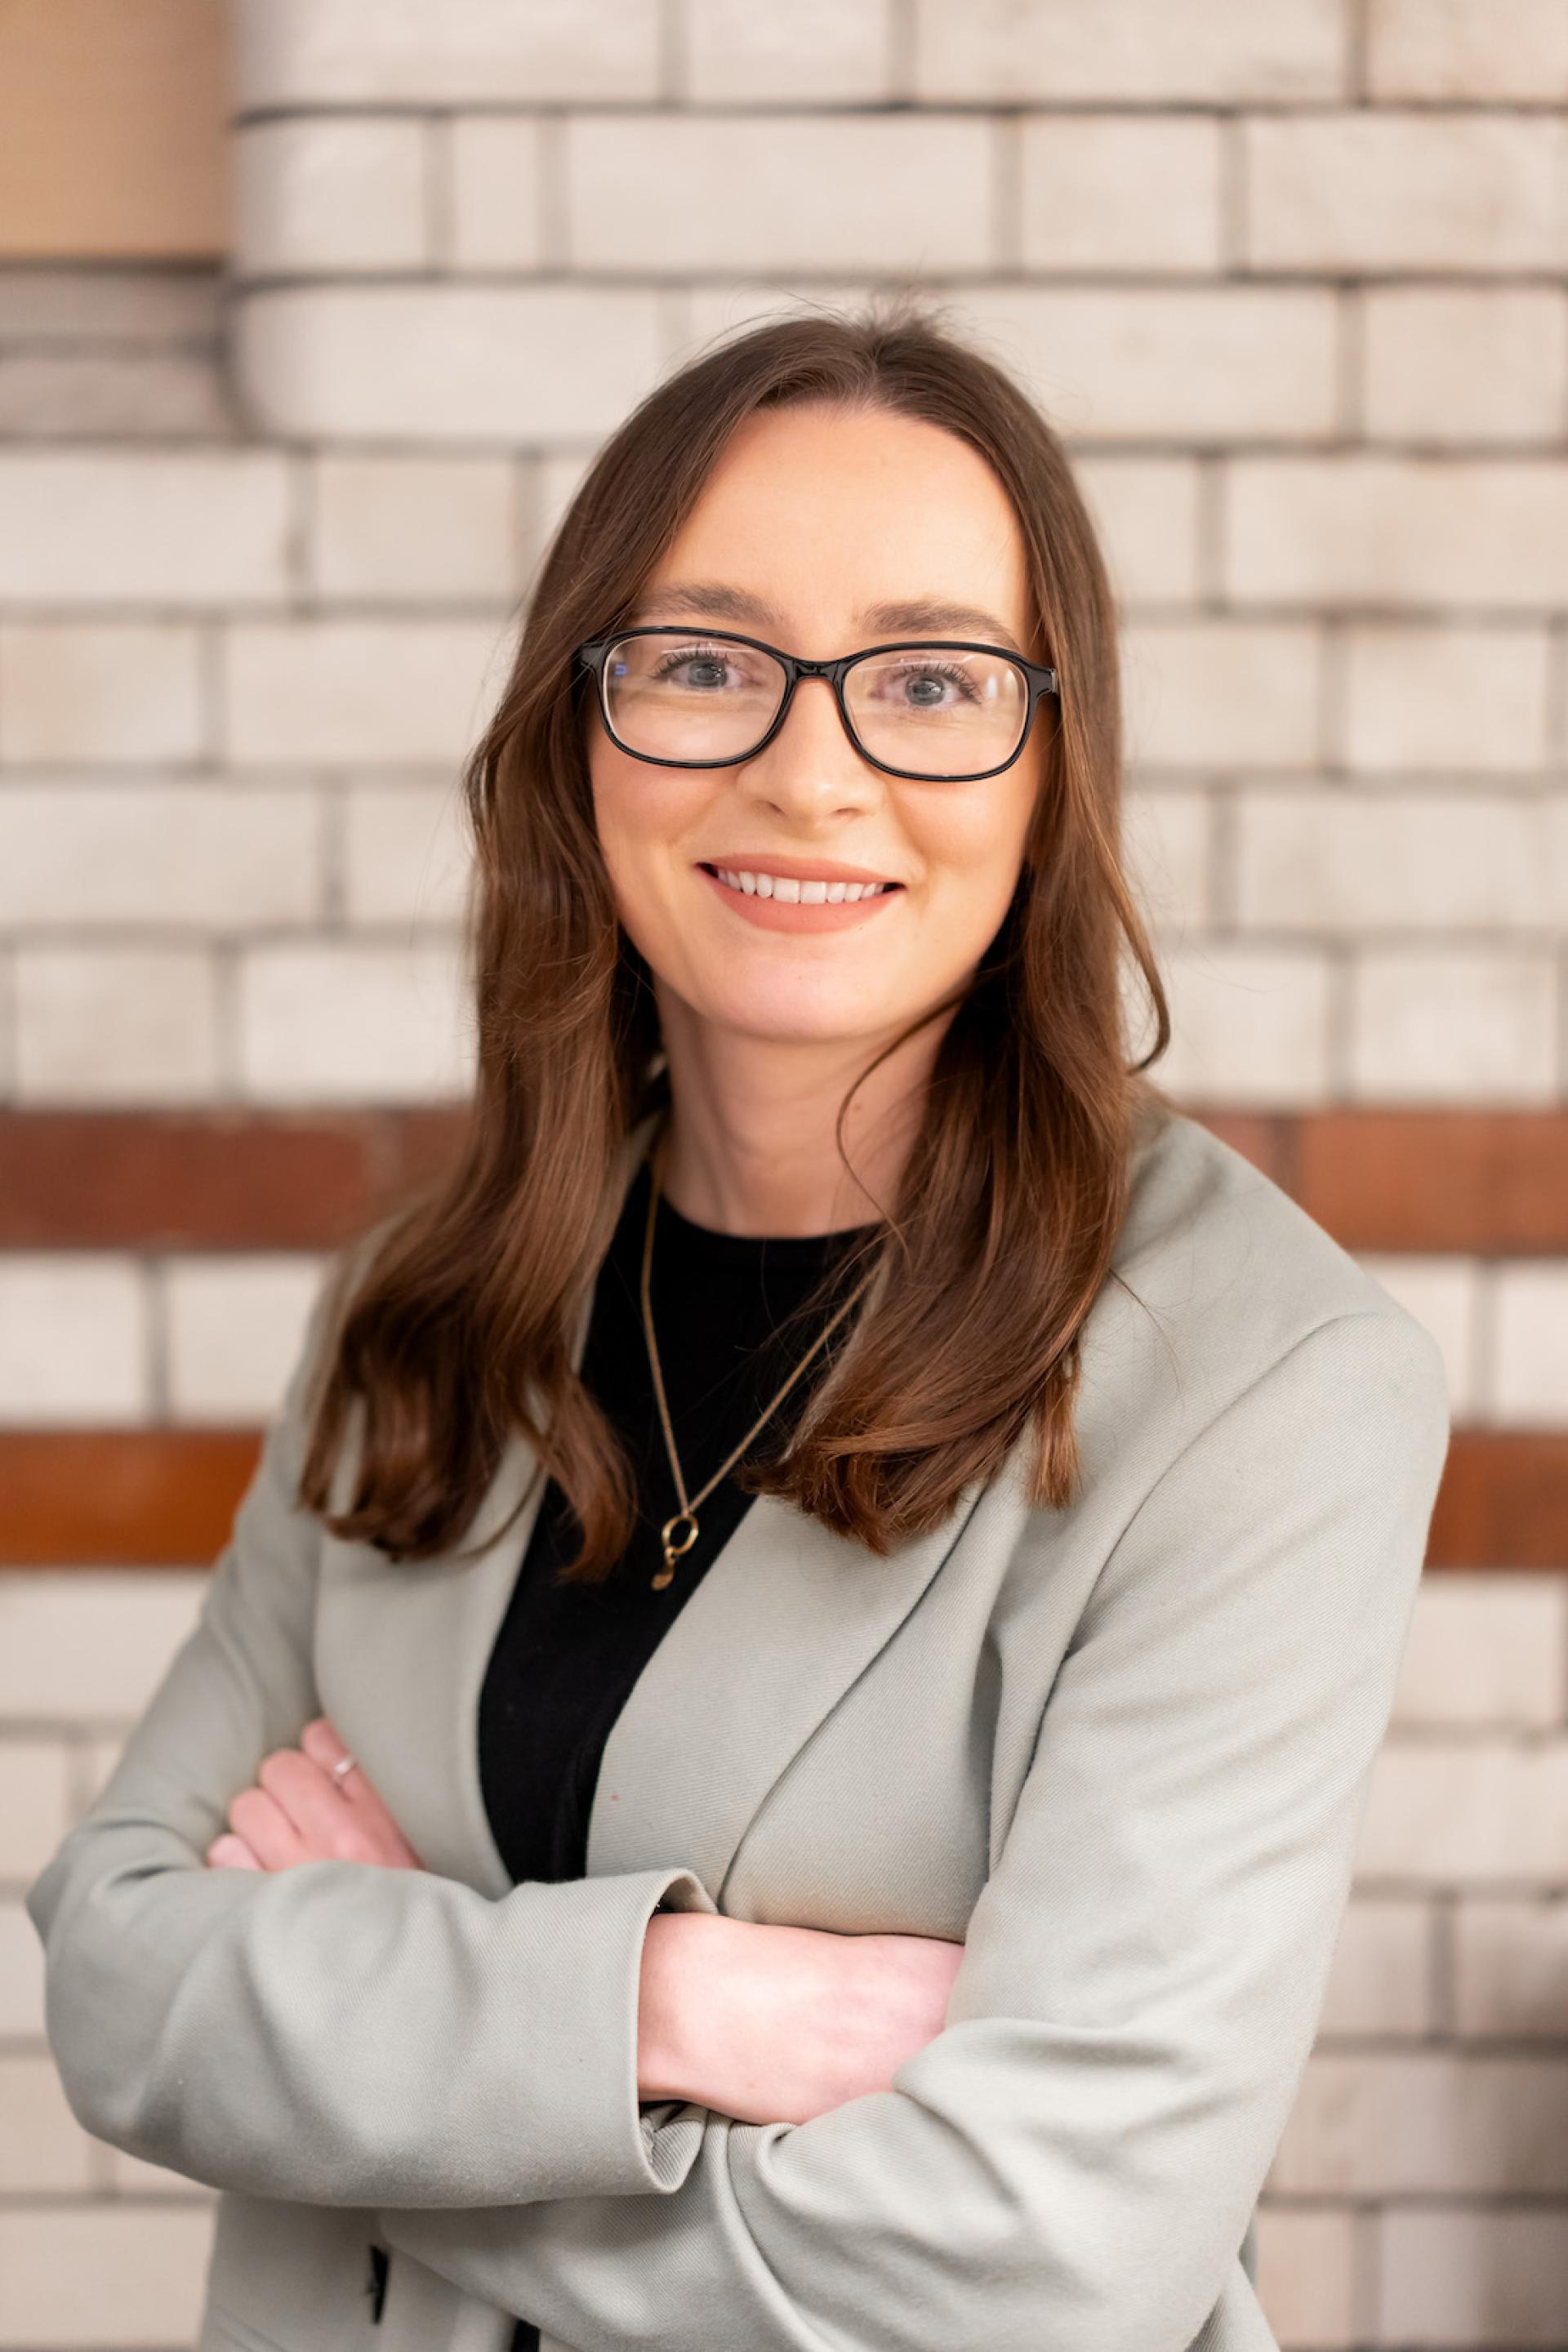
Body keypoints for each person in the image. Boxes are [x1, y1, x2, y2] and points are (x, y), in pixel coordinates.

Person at [26, 301, 1449, 2352]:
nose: (811, 771)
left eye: (933, 681)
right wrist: (681, 2007)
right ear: (578, 733)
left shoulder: (1265, 1389)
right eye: (703, 664)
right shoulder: (420, 1312)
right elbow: (115, 1973)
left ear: (1052, 769)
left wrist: (383, 2039)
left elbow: (1039, 2268)